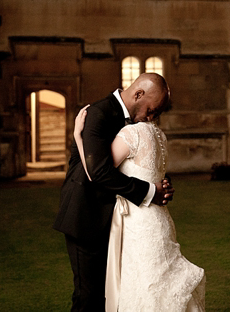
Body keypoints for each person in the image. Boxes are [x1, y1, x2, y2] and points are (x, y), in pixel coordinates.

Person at [53, 73, 175, 312]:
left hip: (116, 220)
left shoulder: (137, 124)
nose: (152, 118)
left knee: (110, 295)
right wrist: (151, 191)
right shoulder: (98, 113)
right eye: (151, 110)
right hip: (85, 215)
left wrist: (162, 183)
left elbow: (135, 163)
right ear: (138, 94)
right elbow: (98, 172)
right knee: (88, 296)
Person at [74, 101, 206, 312]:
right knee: (156, 284)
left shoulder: (131, 134)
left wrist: (78, 138)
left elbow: (96, 173)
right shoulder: (160, 135)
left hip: (137, 222)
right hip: (158, 218)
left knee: (144, 287)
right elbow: (153, 174)